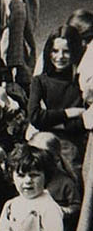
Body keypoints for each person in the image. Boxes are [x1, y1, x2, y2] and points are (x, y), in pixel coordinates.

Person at [28, 25, 86, 175]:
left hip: (73, 142)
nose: (60, 57)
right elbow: (35, 117)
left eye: (66, 51)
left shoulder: (80, 81)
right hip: (46, 140)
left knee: (73, 174)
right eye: (55, 51)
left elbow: (84, 121)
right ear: (48, 52)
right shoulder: (40, 81)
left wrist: (50, 121)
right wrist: (69, 113)